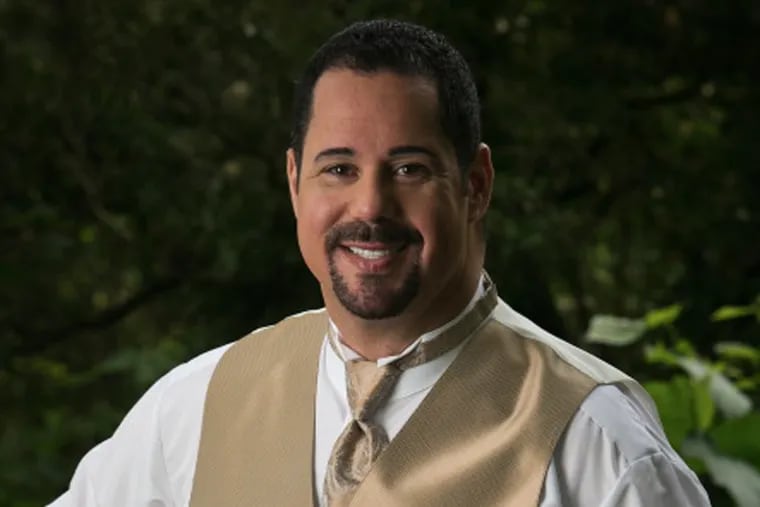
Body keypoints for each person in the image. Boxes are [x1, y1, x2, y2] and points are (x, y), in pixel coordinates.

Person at [49, 19, 711, 506]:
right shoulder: (198, 405)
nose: (370, 205)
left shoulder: (596, 441)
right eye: (339, 168)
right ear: (294, 182)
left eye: (409, 168)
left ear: (476, 184)